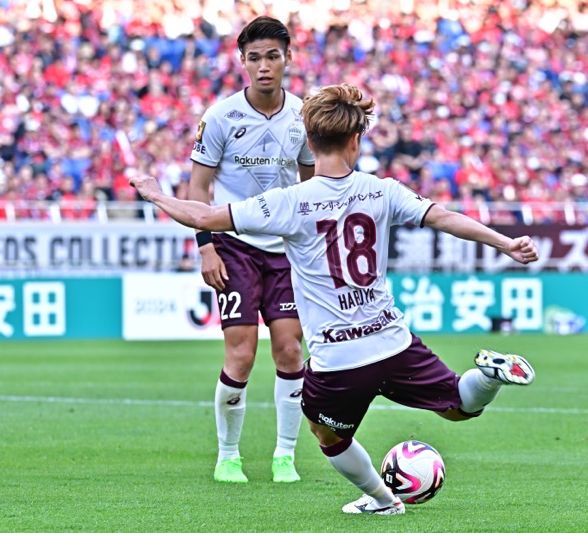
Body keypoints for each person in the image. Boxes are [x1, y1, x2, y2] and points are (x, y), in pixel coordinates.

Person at [130, 83, 538, 515]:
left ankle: (382, 501)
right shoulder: (384, 190)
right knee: (458, 405)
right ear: (356, 140)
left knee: (327, 434)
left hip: (338, 357)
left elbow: (205, 215)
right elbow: (446, 218)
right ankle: (490, 377)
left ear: (309, 141)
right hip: (393, 341)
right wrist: (506, 243)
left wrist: (156, 194)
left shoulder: (289, 202)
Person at [188, 15, 315, 484]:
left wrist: (312, 246)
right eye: (255, 58)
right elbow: (198, 187)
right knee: (240, 355)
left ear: (287, 59)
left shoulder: (304, 116)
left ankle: (285, 454)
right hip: (234, 245)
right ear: (243, 62)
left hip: (285, 250)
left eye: (273, 56)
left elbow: (310, 186)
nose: (264, 66)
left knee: (288, 349)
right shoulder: (220, 116)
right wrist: (206, 248)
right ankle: (228, 455)